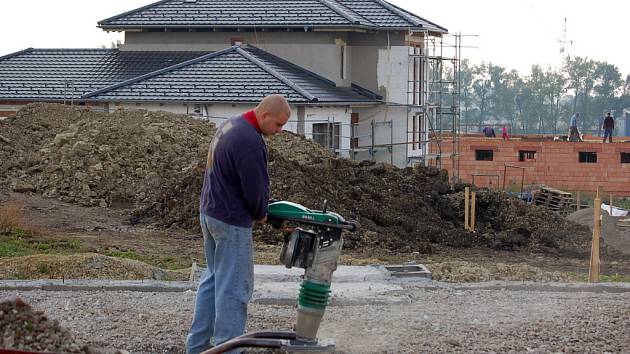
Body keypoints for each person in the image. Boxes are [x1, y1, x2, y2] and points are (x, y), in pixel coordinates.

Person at [186, 94, 291, 354]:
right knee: (234, 288)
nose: (279, 131)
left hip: (210, 212)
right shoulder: (250, 141)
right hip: (231, 220)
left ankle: (198, 346)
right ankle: (229, 349)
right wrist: (260, 213)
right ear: (264, 115)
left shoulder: (231, 125)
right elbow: (255, 189)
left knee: (212, 280)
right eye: (278, 125)